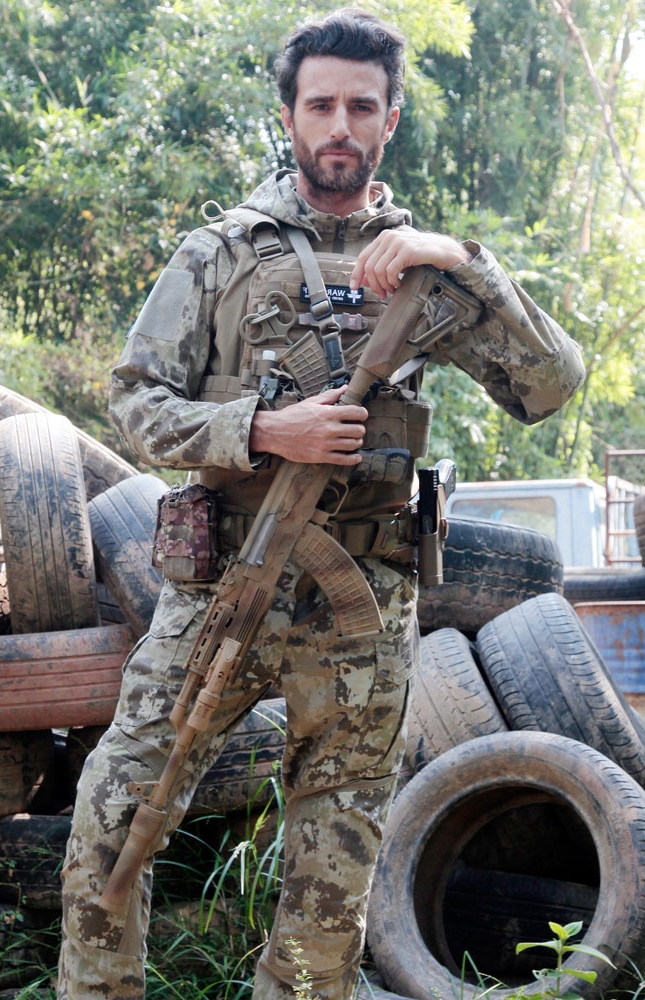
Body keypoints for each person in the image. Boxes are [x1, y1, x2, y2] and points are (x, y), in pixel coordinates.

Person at [57, 8, 585, 1000]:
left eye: (362, 107)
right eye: (321, 105)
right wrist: (265, 430)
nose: (340, 125)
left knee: (332, 873)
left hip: (362, 609)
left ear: (390, 121)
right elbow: (134, 401)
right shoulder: (219, 253)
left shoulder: (429, 270)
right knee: (115, 817)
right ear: (291, 115)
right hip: (223, 585)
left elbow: (550, 386)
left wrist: (462, 260)